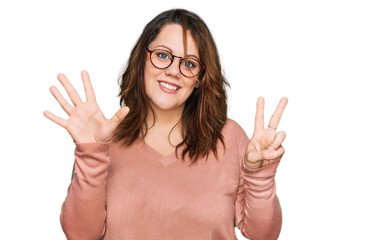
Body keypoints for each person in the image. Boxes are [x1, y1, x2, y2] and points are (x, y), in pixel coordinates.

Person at [43, 8, 288, 240]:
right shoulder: (104, 138)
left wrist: (260, 175)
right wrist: (91, 153)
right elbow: (80, 234)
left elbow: (263, 235)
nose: (174, 71)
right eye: (162, 55)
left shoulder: (229, 137)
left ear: (200, 80)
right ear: (142, 59)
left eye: (190, 64)